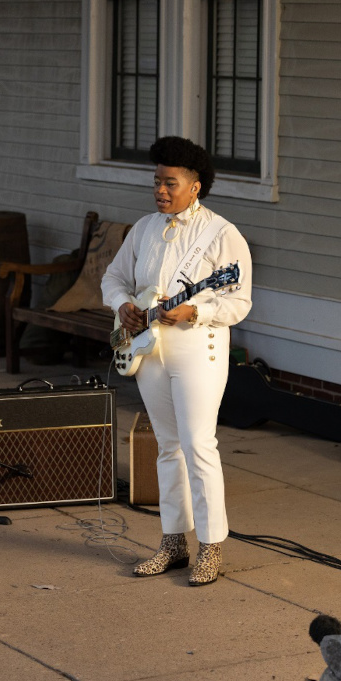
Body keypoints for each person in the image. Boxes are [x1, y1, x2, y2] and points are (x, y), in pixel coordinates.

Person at [100, 136, 252, 586]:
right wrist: (122, 305)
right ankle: (172, 542)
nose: (160, 191)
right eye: (156, 182)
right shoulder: (145, 228)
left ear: (196, 186)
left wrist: (197, 310)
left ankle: (211, 547)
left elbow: (239, 301)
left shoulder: (222, 235)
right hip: (151, 350)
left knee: (199, 446)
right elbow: (113, 277)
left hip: (198, 349)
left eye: (170, 183)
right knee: (167, 448)